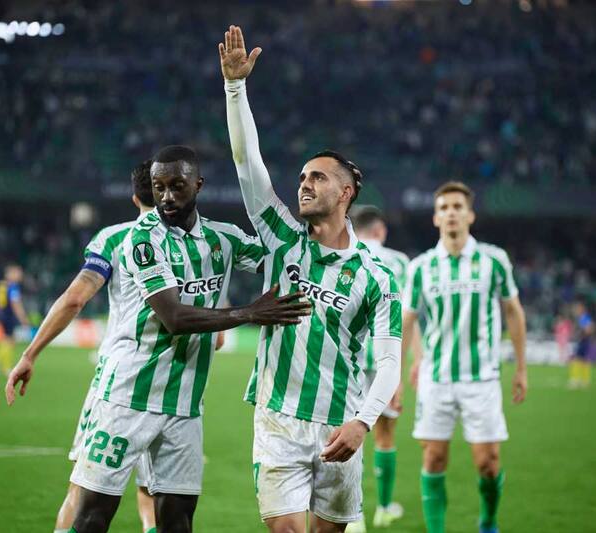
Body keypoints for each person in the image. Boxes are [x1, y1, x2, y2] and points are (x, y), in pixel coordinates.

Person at [7, 145, 312, 533]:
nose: (166, 196)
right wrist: (251, 313)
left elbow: (287, 256)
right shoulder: (141, 239)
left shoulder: (223, 238)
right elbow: (174, 318)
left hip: (185, 405)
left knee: (178, 521)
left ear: (198, 185)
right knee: (93, 515)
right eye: (158, 187)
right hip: (126, 398)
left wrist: (320, 226)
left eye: (177, 186)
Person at [221, 26, 402, 533]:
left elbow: (389, 361)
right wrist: (235, 88)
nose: (303, 184)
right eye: (301, 177)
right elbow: (247, 164)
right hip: (277, 419)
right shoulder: (281, 237)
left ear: (345, 193)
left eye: (317, 177)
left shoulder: (377, 275)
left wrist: (363, 421)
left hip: (340, 422)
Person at [6, 159, 159, 533]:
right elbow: (217, 339)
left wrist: (29, 354)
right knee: (155, 493)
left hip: (118, 385)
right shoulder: (195, 246)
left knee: (84, 489)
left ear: (134, 197)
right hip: (176, 392)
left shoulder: (115, 239)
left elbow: (75, 299)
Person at [402, 181, 527, 533]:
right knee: (433, 458)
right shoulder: (421, 267)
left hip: (481, 378)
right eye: (444, 208)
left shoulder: (493, 260)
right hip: (436, 378)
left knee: (488, 462)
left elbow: (513, 311)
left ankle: (487, 521)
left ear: (470, 215)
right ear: (435, 218)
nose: (451, 213)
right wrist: (400, 372)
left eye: (458, 207)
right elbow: (407, 321)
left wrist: (521, 368)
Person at [347, 206, 421, 531]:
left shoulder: (345, 253)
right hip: (385, 361)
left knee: (349, 434)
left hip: (349, 360)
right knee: (385, 434)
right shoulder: (399, 262)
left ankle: (354, 516)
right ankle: (385, 508)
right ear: (380, 230)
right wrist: (413, 361)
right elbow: (406, 317)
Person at [0, 264, 30, 376]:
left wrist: (0, 314)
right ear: (10, 274)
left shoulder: (2, 285)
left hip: (2, 315)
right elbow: (15, 304)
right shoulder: (13, 287)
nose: (20, 275)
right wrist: (23, 318)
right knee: (10, 341)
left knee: (8, 340)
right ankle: (4, 365)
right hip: (9, 316)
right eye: (17, 272)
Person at [568, 301, 594, 389]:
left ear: (582, 309)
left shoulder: (584, 318)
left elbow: (589, 329)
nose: (576, 310)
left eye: (578, 309)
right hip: (584, 341)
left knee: (577, 359)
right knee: (583, 360)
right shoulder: (583, 317)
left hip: (583, 341)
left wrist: (582, 333)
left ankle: (576, 380)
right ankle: (584, 380)